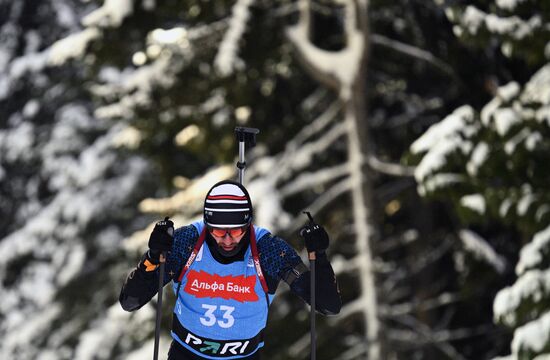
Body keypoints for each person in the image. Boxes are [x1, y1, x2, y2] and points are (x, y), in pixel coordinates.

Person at [119, 180, 341, 359]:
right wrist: (152, 258)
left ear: (248, 224)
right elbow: (130, 301)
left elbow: (328, 305)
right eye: (217, 231)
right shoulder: (187, 243)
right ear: (207, 224)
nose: (227, 240)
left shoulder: (268, 250)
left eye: (235, 231)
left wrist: (319, 256)